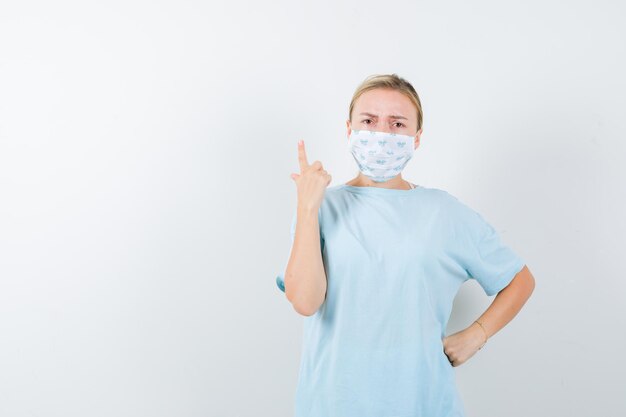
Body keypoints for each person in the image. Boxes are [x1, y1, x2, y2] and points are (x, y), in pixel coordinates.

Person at [276, 73, 535, 417]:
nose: (382, 133)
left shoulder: (444, 212)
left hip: (423, 404)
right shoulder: (322, 206)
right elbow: (306, 302)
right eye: (369, 120)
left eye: (397, 124)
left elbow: (519, 279)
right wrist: (307, 206)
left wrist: (476, 335)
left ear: (416, 137)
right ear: (349, 129)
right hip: (332, 404)